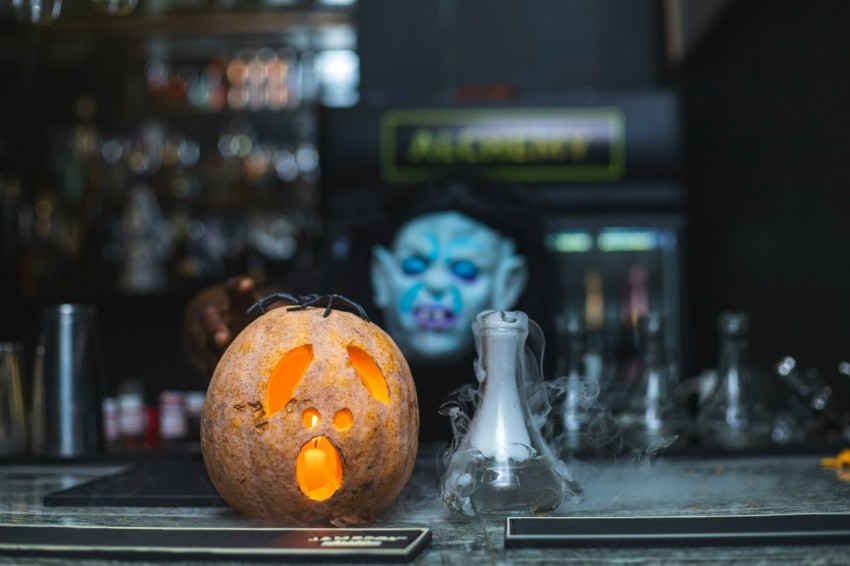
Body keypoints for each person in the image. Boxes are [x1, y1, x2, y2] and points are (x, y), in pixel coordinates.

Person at [182, 181, 559, 441]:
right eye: (415, 266)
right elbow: (257, 300)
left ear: (507, 284)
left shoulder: (537, 364)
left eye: (465, 270)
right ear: (383, 275)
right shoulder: (340, 317)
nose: (437, 285)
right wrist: (222, 314)